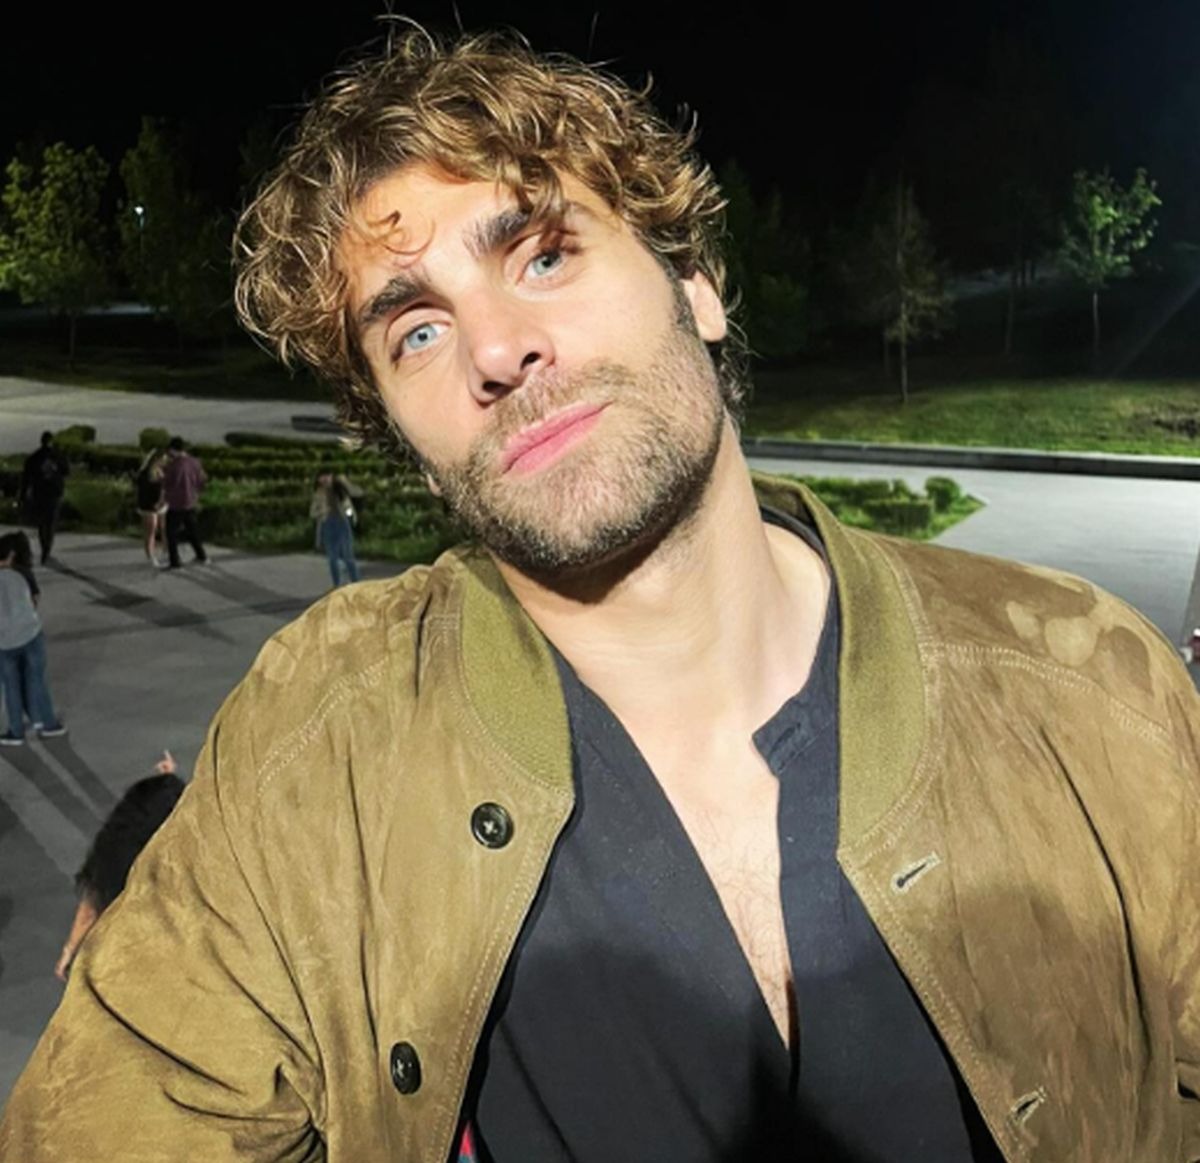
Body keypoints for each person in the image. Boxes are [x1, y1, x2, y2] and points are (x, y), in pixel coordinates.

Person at [4, 26, 1199, 1163]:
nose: (496, 349)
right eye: (416, 331)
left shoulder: (1088, 682)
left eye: (543, 255)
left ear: (697, 284)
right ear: (401, 434)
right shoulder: (318, 746)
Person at [54, 750, 185, 982]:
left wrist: (69, 951)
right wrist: (170, 782)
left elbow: (89, 910)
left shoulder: (112, 852)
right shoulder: (183, 850)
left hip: (131, 956)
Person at [0, 531, 66, 745]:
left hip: (4, 642)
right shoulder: (22, 574)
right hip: (30, 634)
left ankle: (16, 732)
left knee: (11, 685)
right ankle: (48, 724)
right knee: (37, 681)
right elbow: (34, 601)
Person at [20, 430, 69, 565]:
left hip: (40, 494)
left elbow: (26, 479)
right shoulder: (58, 456)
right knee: (51, 523)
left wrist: (23, 496)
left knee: (42, 523)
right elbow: (66, 471)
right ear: (51, 441)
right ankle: (47, 549)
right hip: (54, 494)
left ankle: (44, 547)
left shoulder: (33, 458)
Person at [160, 435, 208, 569]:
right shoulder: (195, 462)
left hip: (177, 503)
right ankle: (201, 555)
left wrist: (162, 473)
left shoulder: (174, 465)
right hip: (191, 501)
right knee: (192, 530)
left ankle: (175, 561)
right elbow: (202, 480)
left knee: (171, 532)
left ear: (172, 450)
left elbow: (167, 484)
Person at [309, 469, 361, 586]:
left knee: (348, 556)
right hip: (328, 524)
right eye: (322, 477)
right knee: (333, 559)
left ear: (332, 476)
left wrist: (346, 482)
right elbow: (312, 513)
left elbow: (357, 493)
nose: (325, 479)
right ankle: (337, 585)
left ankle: (356, 583)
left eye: (327, 476)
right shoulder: (318, 493)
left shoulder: (340, 488)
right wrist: (322, 512)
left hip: (343, 522)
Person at [134, 447, 169, 567]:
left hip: (161, 503)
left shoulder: (161, 471)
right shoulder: (145, 473)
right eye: (162, 460)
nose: (164, 462)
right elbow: (142, 490)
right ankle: (150, 556)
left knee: (164, 528)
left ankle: (166, 552)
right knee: (151, 530)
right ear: (156, 459)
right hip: (149, 505)